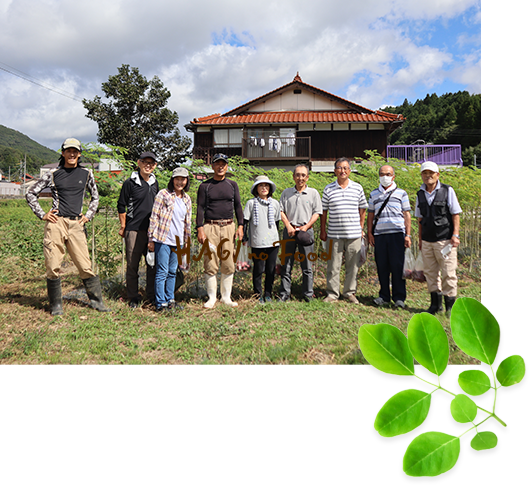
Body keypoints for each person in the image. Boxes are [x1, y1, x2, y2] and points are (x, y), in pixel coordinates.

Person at [26, 138, 109, 315]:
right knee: (53, 264)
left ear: (79, 154)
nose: (72, 154)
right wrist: (42, 214)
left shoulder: (86, 173)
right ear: (63, 153)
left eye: (75, 151)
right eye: (68, 151)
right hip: (56, 223)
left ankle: (97, 301)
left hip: (76, 224)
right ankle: (56, 305)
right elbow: (31, 193)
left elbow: (95, 197)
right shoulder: (53, 173)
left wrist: (88, 216)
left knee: (84, 264)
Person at [196, 153, 244, 308]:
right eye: (217, 164)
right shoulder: (205, 186)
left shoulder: (232, 185)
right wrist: (200, 228)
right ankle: (211, 298)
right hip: (210, 227)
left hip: (229, 227)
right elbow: (200, 208)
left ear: (227, 166)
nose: (220, 167)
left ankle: (226, 297)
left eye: (223, 164)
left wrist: (241, 225)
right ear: (212, 166)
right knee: (210, 262)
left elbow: (238, 206)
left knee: (229, 262)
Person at [415, 161, 462, 315]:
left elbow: (455, 214)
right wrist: (420, 239)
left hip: (445, 239)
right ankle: (435, 305)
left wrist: (455, 235)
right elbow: (420, 219)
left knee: (448, 272)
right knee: (430, 272)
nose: (428, 176)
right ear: (421, 175)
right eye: (425, 173)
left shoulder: (448, 191)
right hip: (427, 240)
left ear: (437, 175)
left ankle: (450, 307)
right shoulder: (420, 193)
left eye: (431, 173)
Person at [320, 157, 367, 304]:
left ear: (350, 171)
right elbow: (324, 211)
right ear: (335, 171)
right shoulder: (328, 189)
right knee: (333, 266)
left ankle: (349, 293)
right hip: (334, 234)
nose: (343, 171)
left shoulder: (357, 187)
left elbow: (363, 209)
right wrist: (323, 230)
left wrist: (360, 227)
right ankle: (332, 294)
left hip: (354, 235)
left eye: (345, 168)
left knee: (353, 266)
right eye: (339, 168)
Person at [117, 152, 159, 308]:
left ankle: (151, 295)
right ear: (139, 163)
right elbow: (121, 205)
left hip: (151, 232)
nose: (148, 165)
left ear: (155, 166)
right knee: (133, 265)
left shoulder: (155, 183)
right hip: (134, 230)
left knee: (152, 265)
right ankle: (133, 297)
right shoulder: (130, 182)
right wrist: (123, 226)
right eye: (145, 162)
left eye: (152, 163)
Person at [367, 165, 412, 309]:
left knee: (398, 267)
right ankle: (384, 296)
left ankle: (399, 298)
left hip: (397, 235)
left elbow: (406, 214)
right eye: (382, 174)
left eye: (388, 174)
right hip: (380, 235)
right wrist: (369, 233)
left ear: (393, 176)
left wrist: (408, 234)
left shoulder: (401, 193)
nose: (385, 176)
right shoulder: (374, 194)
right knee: (382, 266)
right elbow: (371, 215)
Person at [147, 167, 192, 312]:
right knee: (162, 271)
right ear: (172, 180)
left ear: (186, 181)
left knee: (173, 271)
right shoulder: (163, 194)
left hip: (178, 241)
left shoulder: (187, 199)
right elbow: (154, 217)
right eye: (177, 179)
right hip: (163, 239)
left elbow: (187, 223)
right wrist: (151, 238)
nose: (180, 182)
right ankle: (161, 303)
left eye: (183, 179)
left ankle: (170, 299)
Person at [278, 164, 322, 302]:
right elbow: (281, 211)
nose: (300, 178)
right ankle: (285, 293)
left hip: (306, 232)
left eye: (303, 175)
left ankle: (308, 294)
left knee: (307, 266)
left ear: (307, 177)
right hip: (289, 232)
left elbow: (317, 213)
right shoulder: (286, 193)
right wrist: (288, 226)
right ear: (293, 177)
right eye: (297, 175)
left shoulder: (313, 193)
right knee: (286, 264)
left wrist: (306, 226)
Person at [243, 175, 281, 303]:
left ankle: (268, 293)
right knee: (258, 269)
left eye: (266, 186)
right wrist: (244, 237)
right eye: (261, 185)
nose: (264, 188)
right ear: (256, 188)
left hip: (273, 242)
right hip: (257, 241)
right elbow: (246, 221)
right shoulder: (251, 203)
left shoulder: (275, 203)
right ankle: (257, 294)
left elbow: (277, 223)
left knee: (271, 270)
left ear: (270, 189)